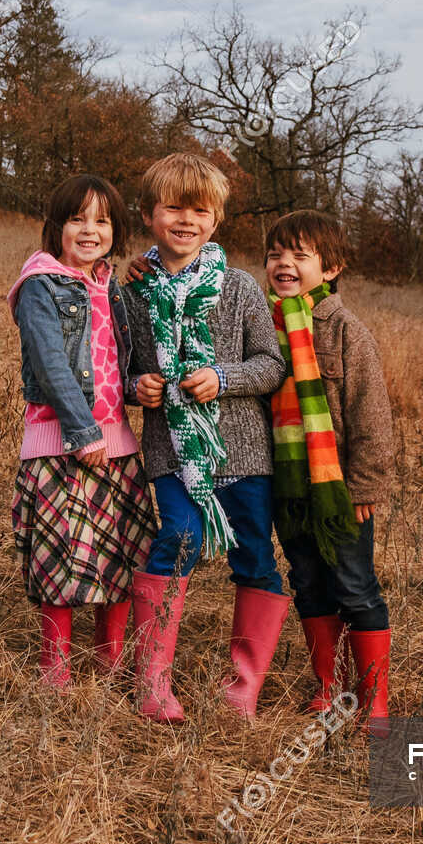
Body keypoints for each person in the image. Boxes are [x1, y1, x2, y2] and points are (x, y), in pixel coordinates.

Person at [122, 153, 288, 722]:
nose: (186, 220)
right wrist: (135, 385)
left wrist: (224, 378)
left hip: (241, 451)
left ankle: (242, 686)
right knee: (179, 540)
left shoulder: (240, 288)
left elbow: (271, 365)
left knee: (256, 559)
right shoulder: (133, 291)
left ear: (215, 220)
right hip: (172, 449)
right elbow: (116, 367)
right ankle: (153, 681)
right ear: (149, 215)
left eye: (200, 209)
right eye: (174, 207)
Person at [7, 175, 154, 689]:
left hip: (118, 442)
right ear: (56, 226)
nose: (90, 230)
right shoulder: (40, 286)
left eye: (103, 220)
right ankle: (56, 667)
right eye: (78, 218)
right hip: (63, 444)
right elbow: (51, 365)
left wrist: (141, 388)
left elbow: (117, 359)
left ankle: (110, 661)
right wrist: (83, 432)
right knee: (59, 556)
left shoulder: (110, 284)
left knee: (118, 553)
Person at [263, 209, 398, 737]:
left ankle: (375, 700)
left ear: (332, 266)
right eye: (275, 254)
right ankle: (329, 688)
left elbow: (372, 415)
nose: (285, 264)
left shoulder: (346, 332)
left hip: (338, 488)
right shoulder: (262, 323)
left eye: (300, 255)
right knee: (308, 582)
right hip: (287, 485)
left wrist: (364, 485)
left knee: (354, 584)